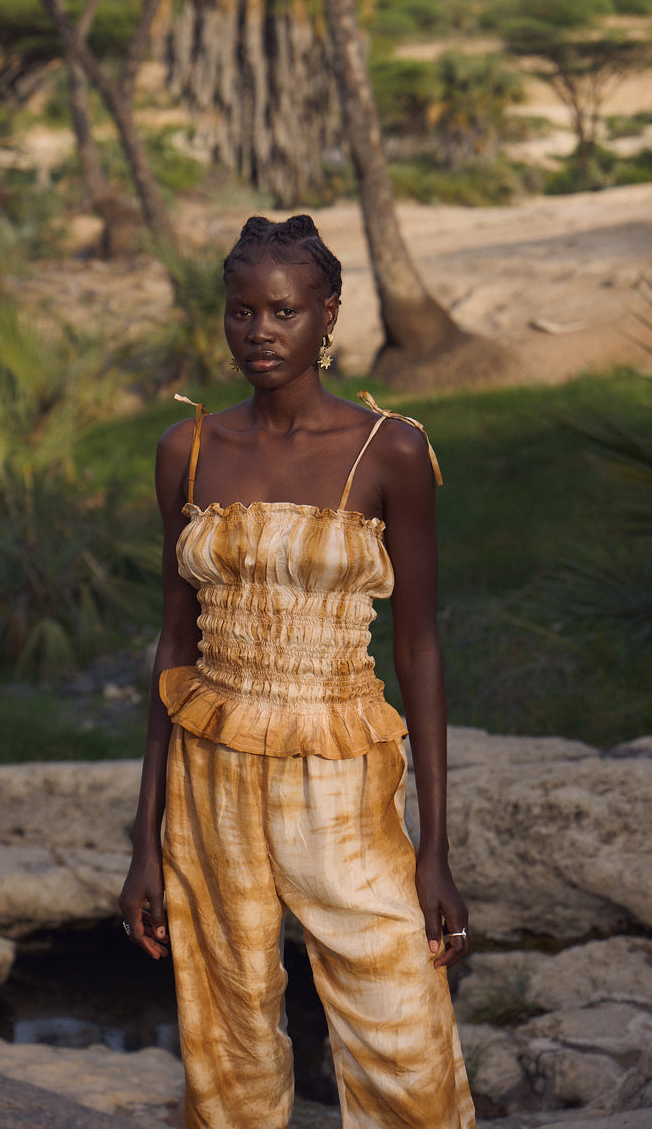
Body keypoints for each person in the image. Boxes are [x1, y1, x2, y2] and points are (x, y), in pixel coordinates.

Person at [119, 214, 475, 1129]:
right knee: (225, 1033)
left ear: (328, 315)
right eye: (242, 312)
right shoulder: (188, 450)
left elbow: (420, 647)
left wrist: (434, 847)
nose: (259, 333)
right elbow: (174, 642)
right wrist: (143, 837)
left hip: (341, 768)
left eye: (283, 312)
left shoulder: (388, 449)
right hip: (211, 771)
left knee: (401, 1023)